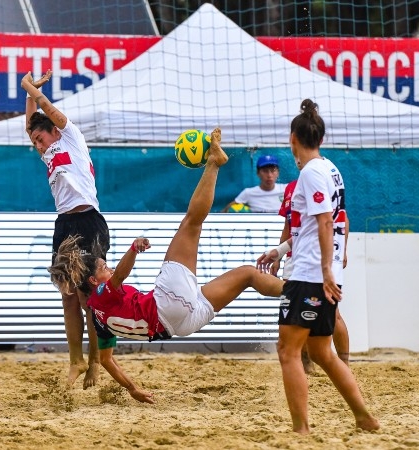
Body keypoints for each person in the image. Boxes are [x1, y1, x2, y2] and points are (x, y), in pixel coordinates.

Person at [48, 128, 285, 404]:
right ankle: (213, 163)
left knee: (248, 275)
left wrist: (133, 388)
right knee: (191, 223)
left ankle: (294, 291)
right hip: (166, 303)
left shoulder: (98, 318)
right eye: (103, 267)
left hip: (180, 327)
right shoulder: (102, 293)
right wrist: (133, 249)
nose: (108, 268)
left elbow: (106, 361)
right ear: (93, 281)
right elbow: (119, 277)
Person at [258, 99, 378, 434]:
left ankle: (301, 429)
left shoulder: (310, 173)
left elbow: (326, 222)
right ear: (320, 140)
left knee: (287, 351)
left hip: (311, 275)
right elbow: (316, 225)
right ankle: (363, 417)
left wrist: (326, 271)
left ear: (293, 139)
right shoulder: (329, 168)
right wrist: (280, 250)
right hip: (317, 270)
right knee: (323, 353)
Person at [21, 70, 110, 389]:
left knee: (91, 296)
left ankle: (97, 361)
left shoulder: (71, 136)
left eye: (40, 139)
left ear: (54, 132)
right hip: (65, 224)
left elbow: (48, 114)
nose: (37, 145)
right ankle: (75, 360)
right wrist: (29, 94)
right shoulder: (48, 152)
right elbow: (31, 123)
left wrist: (33, 90)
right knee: (68, 295)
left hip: (89, 220)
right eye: (34, 142)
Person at [259, 179, 350, 374]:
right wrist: (279, 254)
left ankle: (345, 364)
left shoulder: (321, 180)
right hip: (294, 257)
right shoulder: (292, 188)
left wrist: (342, 250)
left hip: (317, 255)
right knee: (295, 313)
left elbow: (340, 218)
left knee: (332, 313)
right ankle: (305, 365)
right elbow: (289, 226)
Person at [222, 154, 286, 213]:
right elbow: (225, 210)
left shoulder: (287, 189)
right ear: (258, 173)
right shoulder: (249, 193)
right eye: (265, 171)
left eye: (273, 171)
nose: (269, 175)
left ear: (278, 173)